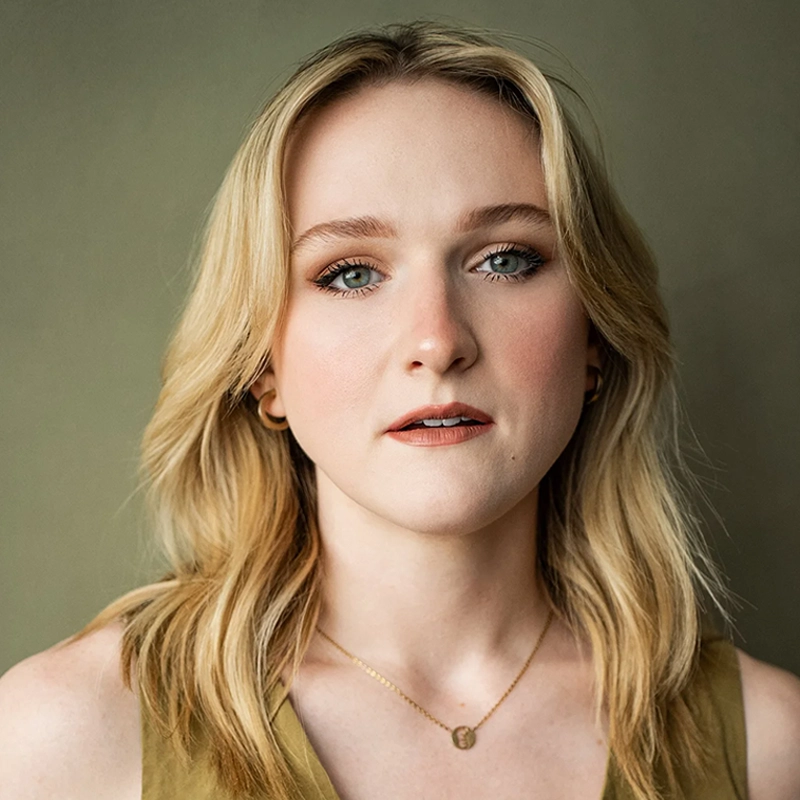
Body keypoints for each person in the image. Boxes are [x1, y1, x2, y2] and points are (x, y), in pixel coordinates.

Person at [1, 20, 798, 800]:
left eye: (505, 259)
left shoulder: (770, 749)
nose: (437, 340)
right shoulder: (65, 738)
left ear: (595, 336)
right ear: (262, 370)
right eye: (350, 273)